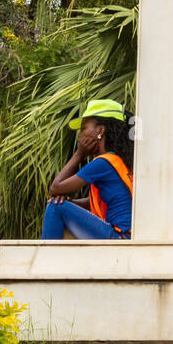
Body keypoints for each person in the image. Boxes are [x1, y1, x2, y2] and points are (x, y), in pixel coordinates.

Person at [41, 98, 134, 240]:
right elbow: (94, 202)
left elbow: (55, 188)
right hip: (126, 235)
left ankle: (46, 260)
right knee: (61, 204)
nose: (80, 135)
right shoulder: (118, 161)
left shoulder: (102, 163)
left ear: (100, 131)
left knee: (55, 207)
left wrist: (79, 154)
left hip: (119, 236)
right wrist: (70, 203)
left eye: (84, 128)